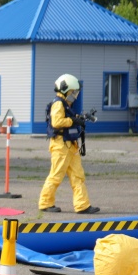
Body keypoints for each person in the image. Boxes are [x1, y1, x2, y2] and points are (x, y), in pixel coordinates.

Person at [38, 74, 99, 214]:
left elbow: (66, 118)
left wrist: (79, 118)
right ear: (66, 90)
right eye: (73, 92)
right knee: (56, 175)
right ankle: (45, 203)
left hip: (69, 145)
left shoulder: (65, 104)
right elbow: (57, 122)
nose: (75, 95)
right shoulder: (58, 103)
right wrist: (73, 121)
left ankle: (82, 205)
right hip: (61, 145)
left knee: (77, 175)